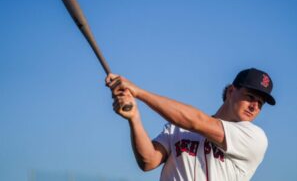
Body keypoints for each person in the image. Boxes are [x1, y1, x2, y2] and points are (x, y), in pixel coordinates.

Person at [105, 68, 276, 181]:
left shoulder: (255, 137)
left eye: (261, 103)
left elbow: (196, 122)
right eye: (250, 97)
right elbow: (148, 161)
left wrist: (138, 92)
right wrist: (134, 118)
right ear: (231, 91)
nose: (255, 106)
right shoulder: (178, 128)